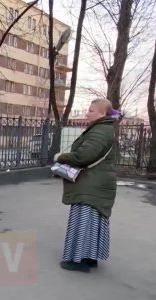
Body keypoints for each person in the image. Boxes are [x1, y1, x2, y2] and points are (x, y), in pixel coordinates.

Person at [54, 98, 117, 273]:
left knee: (83, 220)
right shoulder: (103, 129)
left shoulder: (99, 131)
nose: (87, 113)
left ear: (102, 113)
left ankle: (79, 261)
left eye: (91, 110)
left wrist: (61, 157)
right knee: (94, 221)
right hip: (97, 183)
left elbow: (83, 156)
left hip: (91, 184)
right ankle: (90, 258)